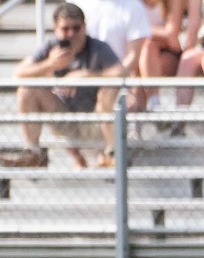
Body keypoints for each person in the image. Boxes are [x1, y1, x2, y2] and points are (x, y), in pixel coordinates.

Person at [3, 4, 121, 169]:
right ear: (56, 29)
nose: (71, 34)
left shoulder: (97, 48)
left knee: (110, 89)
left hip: (96, 120)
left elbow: (122, 73)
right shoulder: (51, 47)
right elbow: (18, 74)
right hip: (64, 118)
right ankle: (33, 153)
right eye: (66, 29)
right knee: (26, 89)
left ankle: (113, 153)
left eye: (76, 28)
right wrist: (49, 64)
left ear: (84, 27)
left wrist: (87, 76)